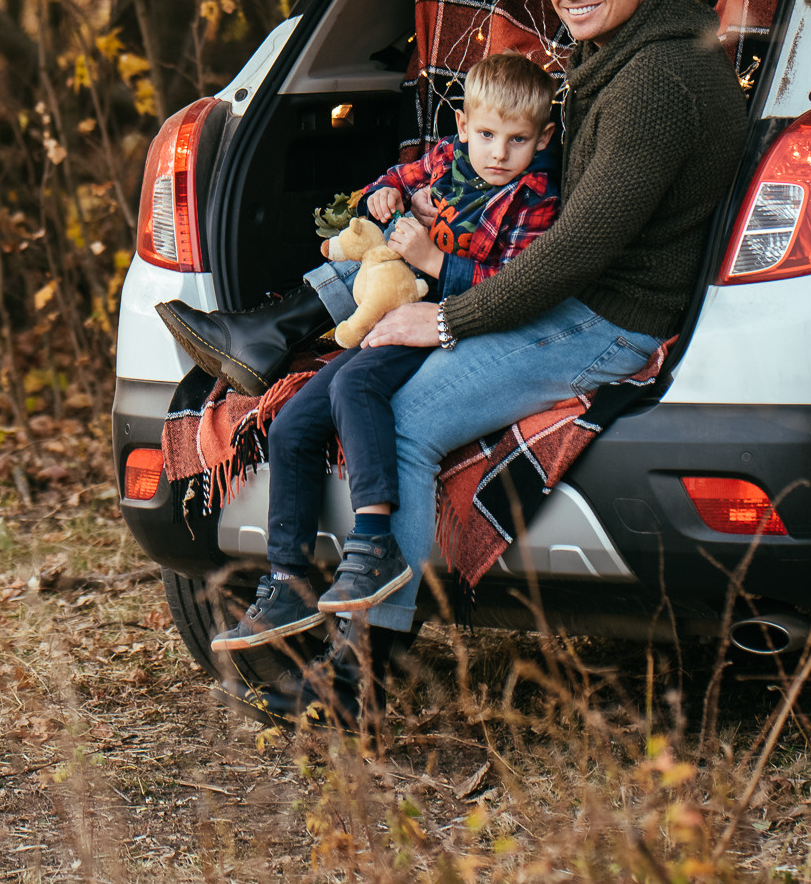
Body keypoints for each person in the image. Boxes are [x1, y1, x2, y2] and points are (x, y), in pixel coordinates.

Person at [183, 0, 750, 718]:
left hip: (608, 317)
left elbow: (577, 249)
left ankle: (362, 679)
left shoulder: (657, 80)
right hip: (570, 292)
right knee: (356, 392)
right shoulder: (631, 49)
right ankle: (329, 614)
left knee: (406, 423)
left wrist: (448, 316)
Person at [164, 53, 561, 651]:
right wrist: (380, 197)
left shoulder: (535, 201)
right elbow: (394, 179)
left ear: (544, 138)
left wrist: (435, 261)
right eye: (485, 135)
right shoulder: (448, 162)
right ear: (461, 128)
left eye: (517, 139)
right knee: (293, 426)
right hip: (386, 310)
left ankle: (374, 542)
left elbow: (513, 290)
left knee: (356, 385)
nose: (498, 153)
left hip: (445, 327)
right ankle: (286, 583)